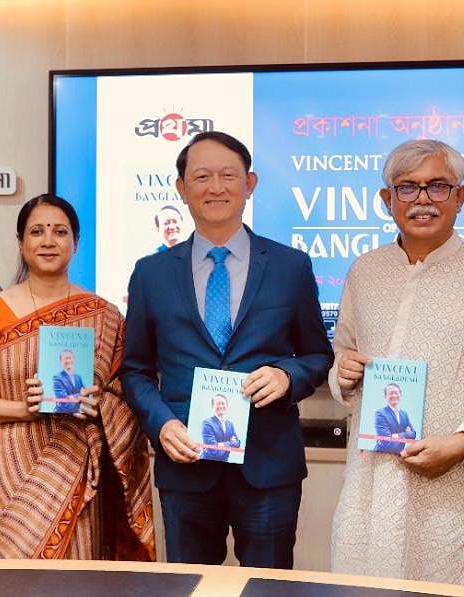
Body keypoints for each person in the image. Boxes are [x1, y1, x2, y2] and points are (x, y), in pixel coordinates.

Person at [121, 131, 333, 569]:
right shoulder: (151, 273)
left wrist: (287, 376)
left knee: (268, 590)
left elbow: (318, 355)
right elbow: (136, 370)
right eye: (201, 176)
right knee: (191, 589)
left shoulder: (290, 266)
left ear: (249, 184)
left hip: (268, 466)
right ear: (181, 188)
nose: (215, 187)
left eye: (228, 176)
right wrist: (161, 426)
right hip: (186, 464)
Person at [329, 139, 464, 587]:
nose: (422, 200)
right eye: (407, 188)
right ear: (387, 201)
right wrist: (341, 373)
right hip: (367, 485)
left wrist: (461, 444)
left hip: (451, 493)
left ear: (461, 198)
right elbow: (342, 353)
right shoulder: (364, 271)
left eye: (438, 187)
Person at [0, 194, 155, 561]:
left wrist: (99, 402)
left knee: (75, 579)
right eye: (37, 232)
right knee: (10, 582)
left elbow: (128, 392)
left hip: (75, 463)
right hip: (5, 469)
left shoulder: (103, 315)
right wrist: (21, 409)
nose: (48, 241)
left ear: (75, 242)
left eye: (59, 232)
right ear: (20, 242)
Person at [373, 383, 414, 453]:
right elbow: (386, 438)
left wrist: (397, 435)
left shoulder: (404, 414)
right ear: (385, 396)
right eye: (391, 393)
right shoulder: (380, 413)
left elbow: (413, 435)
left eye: (396, 393)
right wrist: (406, 434)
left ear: (400, 395)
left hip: (400, 454)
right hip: (382, 453)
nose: (394, 395)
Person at [200, 394, 241, 462]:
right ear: (213, 406)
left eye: (223, 403)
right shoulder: (207, 423)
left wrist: (221, 444)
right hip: (208, 460)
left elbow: (237, 443)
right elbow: (212, 449)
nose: (221, 406)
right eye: (218, 404)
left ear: (227, 406)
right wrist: (230, 443)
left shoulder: (230, 424)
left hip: (225, 461)